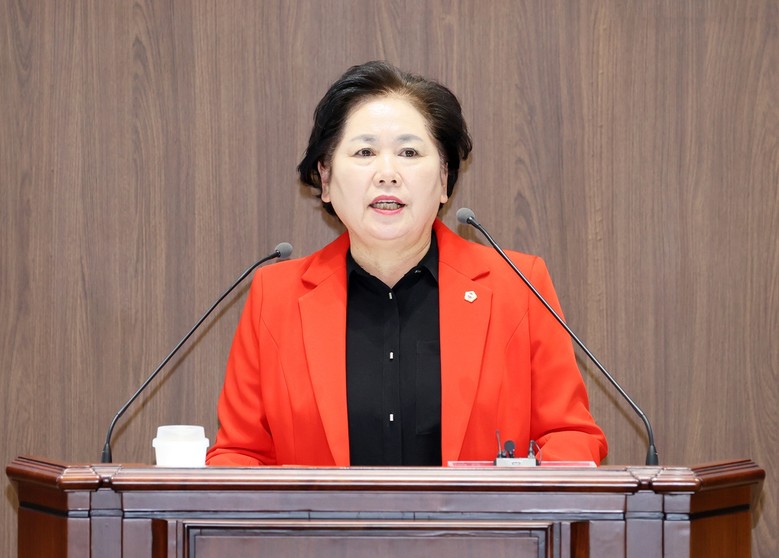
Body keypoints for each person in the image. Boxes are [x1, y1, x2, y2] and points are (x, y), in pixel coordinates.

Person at [206, 61, 607, 467]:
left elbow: (569, 435)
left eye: (409, 152)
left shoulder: (518, 286)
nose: (387, 174)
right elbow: (239, 454)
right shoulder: (274, 298)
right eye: (364, 152)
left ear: (444, 179)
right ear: (325, 179)